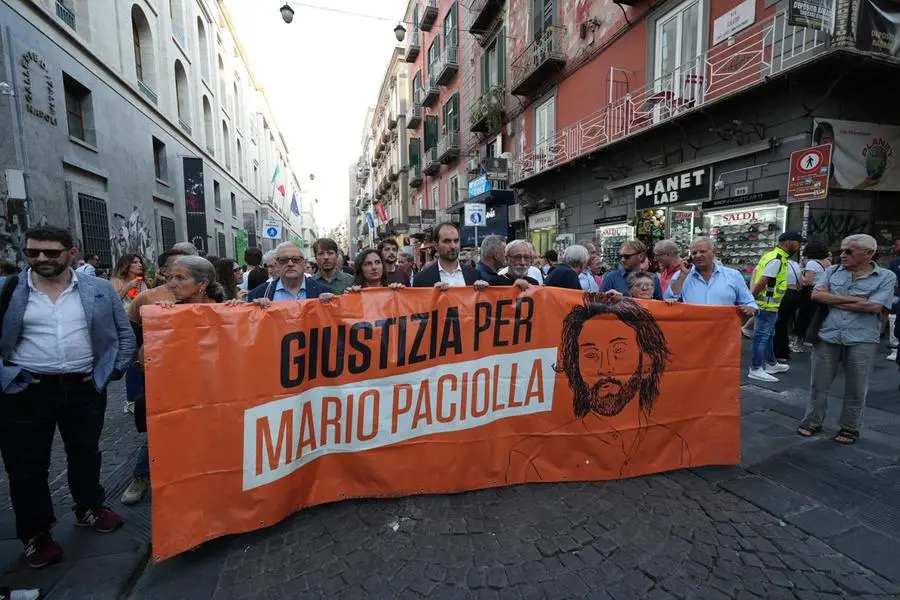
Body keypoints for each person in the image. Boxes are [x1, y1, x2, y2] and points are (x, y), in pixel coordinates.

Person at [0, 225, 134, 568]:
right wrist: (7, 377)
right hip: (26, 390)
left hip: (84, 387)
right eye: (33, 252)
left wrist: (112, 371)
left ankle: (89, 506)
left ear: (71, 253)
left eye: (51, 252)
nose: (41, 258)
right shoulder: (9, 289)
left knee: (86, 452)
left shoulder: (98, 289)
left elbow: (124, 334)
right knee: (27, 466)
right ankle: (36, 533)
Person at [506, 294, 689, 483]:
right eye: (591, 355)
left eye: (618, 351)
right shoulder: (532, 456)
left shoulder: (673, 445)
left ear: (647, 361)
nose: (605, 368)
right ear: (575, 367)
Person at [120, 255, 224, 506]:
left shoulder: (226, 309)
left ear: (202, 284)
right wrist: (161, 324)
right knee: (161, 431)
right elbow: (140, 356)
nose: (171, 283)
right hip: (173, 387)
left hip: (213, 387)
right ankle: (142, 476)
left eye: (180, 278)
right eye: (170, 277)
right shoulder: (162, 308)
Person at [797, 234, 896, 445]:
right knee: (818, 384)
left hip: (862, 338)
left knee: (857, 387)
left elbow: (874, 307)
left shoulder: (885, 276)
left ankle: (850, 427)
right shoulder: (832, 271)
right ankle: (812, 421)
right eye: (842, 250)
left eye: (849, 251)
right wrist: (855, 300)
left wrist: (832, 299)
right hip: (828, 334)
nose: (842, 255)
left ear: (868, 254)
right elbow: (816, 295)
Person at [748, 231, 804, 382]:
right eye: (798, 243)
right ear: (789, 242)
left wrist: (752, 297)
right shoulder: (778, 259)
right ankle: (756, 368)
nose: (798, 247)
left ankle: (771, 364)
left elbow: (755, 274)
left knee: (767, 336)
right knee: (761, 337)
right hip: (767, 305)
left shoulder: (771, 255)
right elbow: (763, 280)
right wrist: (751, 298)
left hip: (768, 304)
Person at [665, 238, 758, 317]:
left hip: (723, 330)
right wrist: (682, 275)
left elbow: (750, 303)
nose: (698, 255)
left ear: (714, 252)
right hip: (693, 330)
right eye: (694, 253)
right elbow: (668, 299)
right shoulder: (681, 275)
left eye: (702, 251)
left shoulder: (733, 275)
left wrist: (750, 309)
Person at [246, 242, 331, 302]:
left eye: (296, 259)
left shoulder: (324, 292)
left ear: (304, 263)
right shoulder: (258, 294)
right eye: (284, 260)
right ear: (277, 264)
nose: (290, 264)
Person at [413, 223, 486, 289]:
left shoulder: (474, 275)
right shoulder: (421, 279)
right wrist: (433, 294)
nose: (453, 246)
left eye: (456, 241)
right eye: (447, 241)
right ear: (435, 245)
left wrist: (484, 291)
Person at [793, 241, 831, 351]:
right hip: (822, 291)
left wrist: (800, 273)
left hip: (809, 292)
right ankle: (811, 339)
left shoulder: (811, 264)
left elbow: (808, 282)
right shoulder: (827, 263)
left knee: (803, 317)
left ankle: (798, 343)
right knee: (817, 317)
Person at [773, 255, 803, 362]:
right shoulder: (795, 264)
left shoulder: (778, 263)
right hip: (796, 294)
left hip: (784, 293)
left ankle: (779, 353)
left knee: (779, 324)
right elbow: (801, 281)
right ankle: (784, 350)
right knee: (784, 324)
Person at [887, 237, 900, 361]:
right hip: (897, 296)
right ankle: (895, 348)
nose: (895, 247)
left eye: (896, 244)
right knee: (893, 319)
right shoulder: (896, 262)